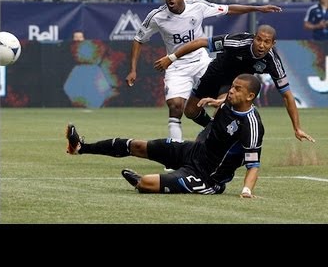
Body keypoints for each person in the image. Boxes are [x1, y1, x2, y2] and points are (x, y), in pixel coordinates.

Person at [126, 0, 282, 143]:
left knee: (226, 100)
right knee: (176, 106)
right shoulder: (157, 17)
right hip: (177, 66)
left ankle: (232, 137)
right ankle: (176, 153)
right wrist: (133, 69)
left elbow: (229, 9)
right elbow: (138, 39)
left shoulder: (198, 6)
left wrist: (258, 8)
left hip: (201, 61)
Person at [66, 74, 265, 198]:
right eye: (232, 86)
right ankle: (81, 148)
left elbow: (253, 165)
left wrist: (246, 191)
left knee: (147, 183)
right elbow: (223, 105)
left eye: (237, 89)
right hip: (193, 151)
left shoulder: (252, 125)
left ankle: (141, 182)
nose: (231, 91)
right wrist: (216, 101)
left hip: (206, 177)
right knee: (138, 146)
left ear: (249, 96)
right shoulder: (229, 102)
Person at [157, 24, 315, 143]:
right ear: (254, 37)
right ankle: (211, 127)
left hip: (235, 84)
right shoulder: (237, 42)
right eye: (259, 39)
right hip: (214, 73)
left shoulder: (272, 62)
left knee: (222, 108)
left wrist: (297, 127)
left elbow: (287, 96)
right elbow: (200, 42)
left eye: (266, 42)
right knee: (190, 111)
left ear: (273, 44)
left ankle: (208, 141)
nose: (261, 45)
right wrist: (171, 58)